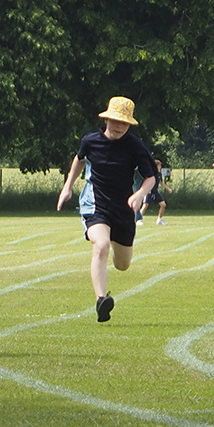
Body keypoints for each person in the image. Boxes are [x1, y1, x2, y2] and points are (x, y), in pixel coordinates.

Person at [56, 96, 157, 323]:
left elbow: (151, 177)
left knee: (122, 265)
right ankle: (101, 300)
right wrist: (68, 187)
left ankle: (113, 240)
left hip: (123, 209)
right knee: (100, 246)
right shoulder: (90, 141)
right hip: (95, 204)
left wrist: (140, 194)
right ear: (107, 119)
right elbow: (79, 159)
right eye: (115, 121)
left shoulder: (135, 146)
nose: (119, 126)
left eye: (124, 123)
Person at [143, 153, 169, 224]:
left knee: (163, 205)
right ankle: (138, 219)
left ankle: (159, 219)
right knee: (145, 205)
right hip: (149, 191)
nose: (160, 166)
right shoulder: (151, 173)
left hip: (155, 191)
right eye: (159, 165)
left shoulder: (159, 174)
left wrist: (168, 188)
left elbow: (160, 182)